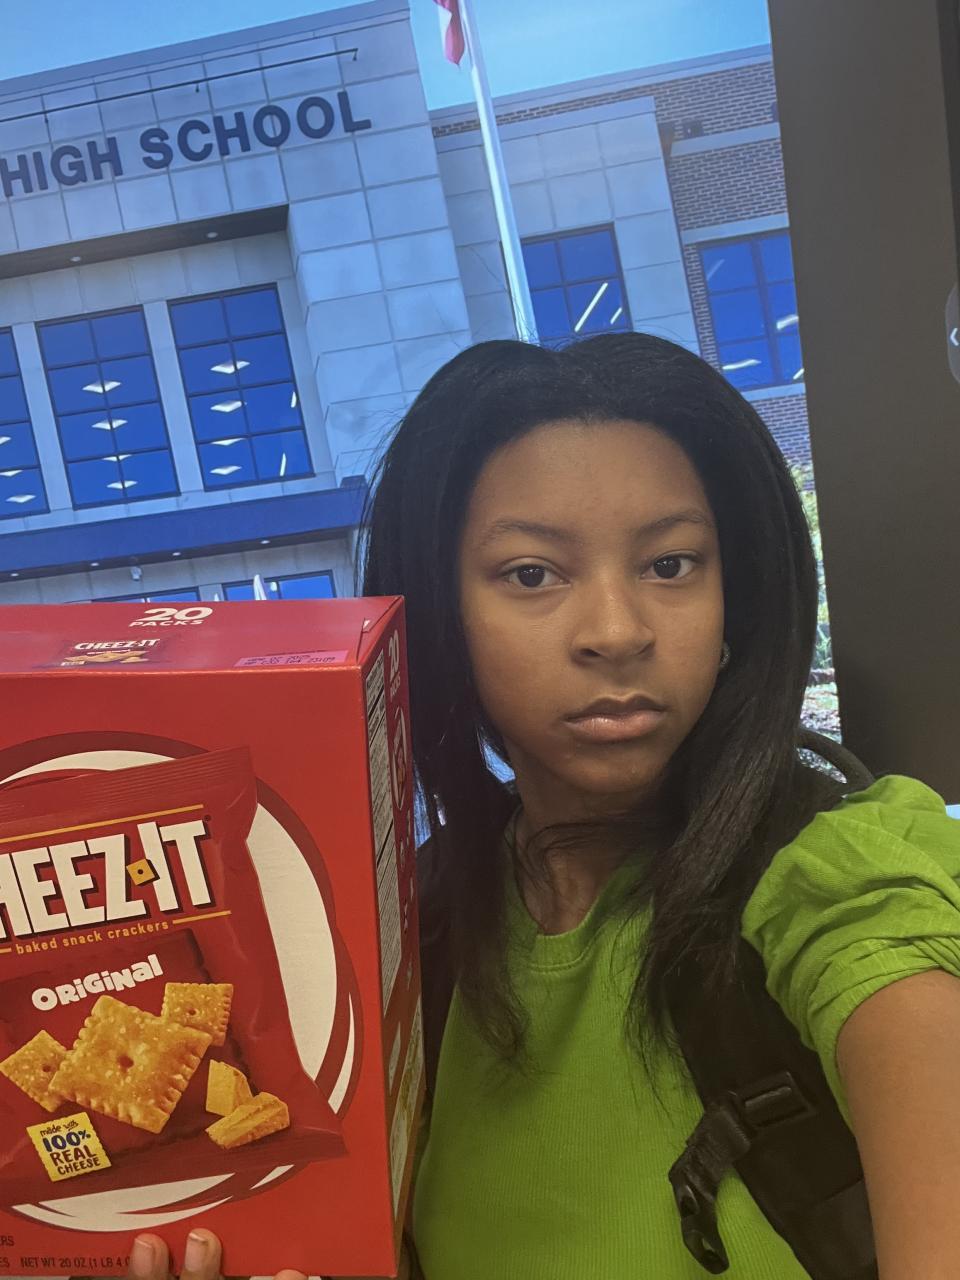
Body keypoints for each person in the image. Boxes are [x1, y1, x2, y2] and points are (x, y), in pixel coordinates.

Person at [125, 334, 960, 1280]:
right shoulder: (407, 933)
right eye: (532, 574)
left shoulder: (848, 884)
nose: (617, 631)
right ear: (440, 617)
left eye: (671, 564)